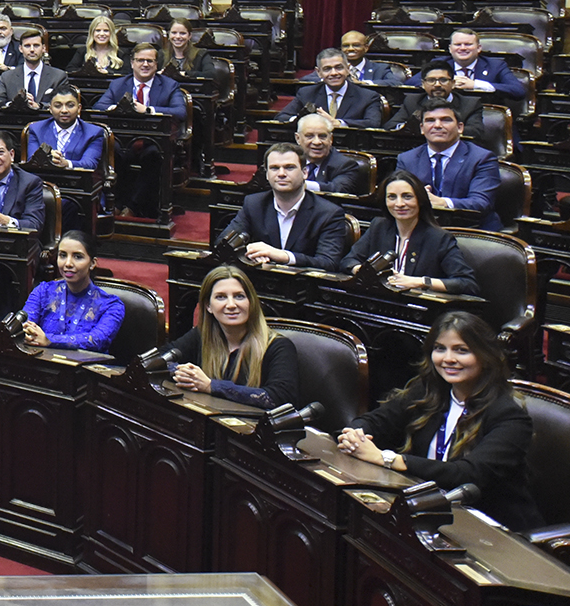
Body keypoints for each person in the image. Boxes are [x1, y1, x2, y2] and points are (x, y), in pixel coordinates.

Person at [337, 311, 541, 531]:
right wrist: (355, 436)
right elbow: (375, 420)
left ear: (485, 356)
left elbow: (467, 474)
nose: (448, 359)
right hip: (431, 512)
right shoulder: (429, 392)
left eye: (461, 350)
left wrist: (386, 459)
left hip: (493, 530)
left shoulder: (510, 417)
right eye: (440, 348)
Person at [166, 266, 301, 409]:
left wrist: (211, 386)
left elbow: (279, 397)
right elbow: (159, 360)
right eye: (221, 297)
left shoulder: (278, 346)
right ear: (208, 306)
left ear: (251, 302)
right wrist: (184, 373)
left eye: (239, 296)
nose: (231, 305)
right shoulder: (201, 335)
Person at [340, 171, 479, 294]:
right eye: (392, 197)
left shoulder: (438, 238)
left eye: (407, 197)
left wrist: (420, 282)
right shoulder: (379, 227)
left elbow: (466, 283)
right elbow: (348, 261)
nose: (399, 204)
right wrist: (364, 271)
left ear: (420, 200)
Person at [93, 45, 187, 220]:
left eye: (149, 61)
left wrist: (149, 110)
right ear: (132, 63)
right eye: (140, 60)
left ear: (156, 64)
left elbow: (180, 112)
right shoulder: (118, 84)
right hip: (123, 141)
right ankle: (115, 204)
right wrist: (115, 108)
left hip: (153, 143)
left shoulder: (169, 85)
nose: (145, 64)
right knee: (113, 153)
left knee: (153, 156)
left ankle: (132, 206)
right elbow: (98, 107)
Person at [221, 142, 348, 271]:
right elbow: (222, 244)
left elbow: (329, 262)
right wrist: (248, 251)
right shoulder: (254, 204)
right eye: (274, 168)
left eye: (289, 167)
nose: (281, 174)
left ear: (305, 173)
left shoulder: (329, 213)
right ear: (266, 174)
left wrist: (284, 256)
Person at [393, 102, 502, 232]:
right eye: (430, 120)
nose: (437, 125)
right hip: (422, 228)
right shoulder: (406, 159)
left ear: (460, 127)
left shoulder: (482, 158)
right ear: (422, 128)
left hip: (471, 230)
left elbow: (481, 203)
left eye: (445, 120)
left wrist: (442, 203)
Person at [20, 230, 123, 351]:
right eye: (63, 255)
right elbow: (25, 325)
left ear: (92, 263)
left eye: (77, 257)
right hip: (44, 364)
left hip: (85, 367)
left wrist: (49, 340)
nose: (68, 263)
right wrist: (28, 332)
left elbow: (97, 340)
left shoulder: (111, 305)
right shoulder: (43, 291)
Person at [276, 48, 383, 128]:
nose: (334, 73)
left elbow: (373, 123)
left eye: (339, 67)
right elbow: (282, 117)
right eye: (327, 69)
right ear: (319, 73)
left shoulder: (368, 96)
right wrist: (305, 120)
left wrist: (339, 123)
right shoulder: (306, 93)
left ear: (348, 69)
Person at [389, 62, 486, 140]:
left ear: (453, 83)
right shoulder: (412, 101)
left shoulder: (470, 104)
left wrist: (438, 129)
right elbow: (391, 125)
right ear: (423, 84)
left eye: (443, 80)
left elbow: (476, 131)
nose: (437, 85)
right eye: (431, 80)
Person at [438, 28, 527, 105]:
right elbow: (424, 84)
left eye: (468, 44)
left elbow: (518, 91)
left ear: (479, 48)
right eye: (458, 44)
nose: (463, 48)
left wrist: (476, 85)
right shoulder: (439, 64)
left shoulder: (495, 65)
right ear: (450, 49)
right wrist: (446, 83)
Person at [26, 86, 104, 172]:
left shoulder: (94, 133)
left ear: (79, 108)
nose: (64, 110)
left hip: (77, 181)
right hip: (43, 179)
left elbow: (90, 164)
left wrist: (66, 164)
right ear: (50, 109)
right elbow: (31, 161)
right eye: (58, 106)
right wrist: (47, 157)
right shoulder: (37, 129)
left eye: (70, 105)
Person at [0, 28, 68, 109]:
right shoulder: (7, 77)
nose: (32, 50)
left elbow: (64, 103)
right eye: (27, 46)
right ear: (20, 49)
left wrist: (38, 106)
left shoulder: (58, 76)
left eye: (36, 45)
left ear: (43, 48)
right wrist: (13, 104)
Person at [295, 114, 366, 196]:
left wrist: (301, 184)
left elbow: (338, 189)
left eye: (322, 136)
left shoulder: (345, 165)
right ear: (298, 138)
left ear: (331, 139)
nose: (317, 142)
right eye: (309, 136)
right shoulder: (289, 160)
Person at [341, 30, 408, 86]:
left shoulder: (380, 69)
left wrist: (364, 83)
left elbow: (396, 83)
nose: (350, 49)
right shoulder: (335, 68)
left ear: (366, 48)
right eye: (346, 46)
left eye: (356, 45)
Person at [160, 19, 217, 83]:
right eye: (174, 33)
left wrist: (186, 74)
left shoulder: (201, 54)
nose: (178, 36)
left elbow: (211, 74)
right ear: (168, 34)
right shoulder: (161, 54)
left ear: (189, 36)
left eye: (182, 33)